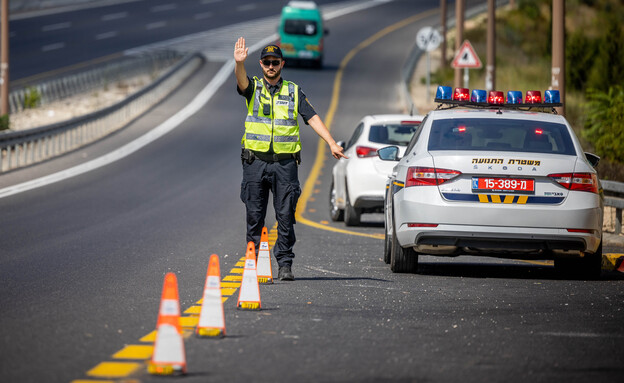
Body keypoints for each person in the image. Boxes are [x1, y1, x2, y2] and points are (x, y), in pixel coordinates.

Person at [234, 37, 347, 281]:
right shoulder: (254, 87)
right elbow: (241, 82)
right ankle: (252, 263)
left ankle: (285, 264)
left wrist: (331, 142)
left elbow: (312, 117)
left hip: (285, 165)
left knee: (285, 216)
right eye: (266, 63)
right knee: (254, 216)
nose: (270, 67)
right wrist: (239, 63)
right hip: (255, 163)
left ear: (282, 64)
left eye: (275, 62)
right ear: (261, 65)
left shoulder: (293, 91)